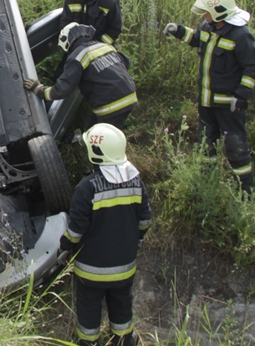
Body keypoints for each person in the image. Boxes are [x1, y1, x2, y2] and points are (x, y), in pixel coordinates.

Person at [163, 0, 255, 195]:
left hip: (228, 105)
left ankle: (245, 191)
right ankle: (207, 182)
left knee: (236, 146)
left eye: (207, 12)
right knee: (206, 142)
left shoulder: (241, 35)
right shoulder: (208, 27)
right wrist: (178, 31)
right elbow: (197, 39)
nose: (204, 16)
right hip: (206, 102)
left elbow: (252, 69)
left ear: (220, 12)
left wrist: (242, 96)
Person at [60, 123, 152, 346]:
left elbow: (76, 230)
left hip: (92, 272)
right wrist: (136, 240)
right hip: (124, 268)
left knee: (89, 311)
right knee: (122, 307)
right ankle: (124, 340)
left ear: (95, 153)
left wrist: (64, 247)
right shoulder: (136, 182)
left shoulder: (87, 187)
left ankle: (88, 342)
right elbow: (145, 220)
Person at [25, 22, 137, 130]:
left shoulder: (77, 56)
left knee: (97, 141)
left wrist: (40, 90)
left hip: (112, 104)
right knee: (93, 127)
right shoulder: (104, 46)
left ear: (66, 42)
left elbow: (63, 89)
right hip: (130, 96)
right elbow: (126, 62)